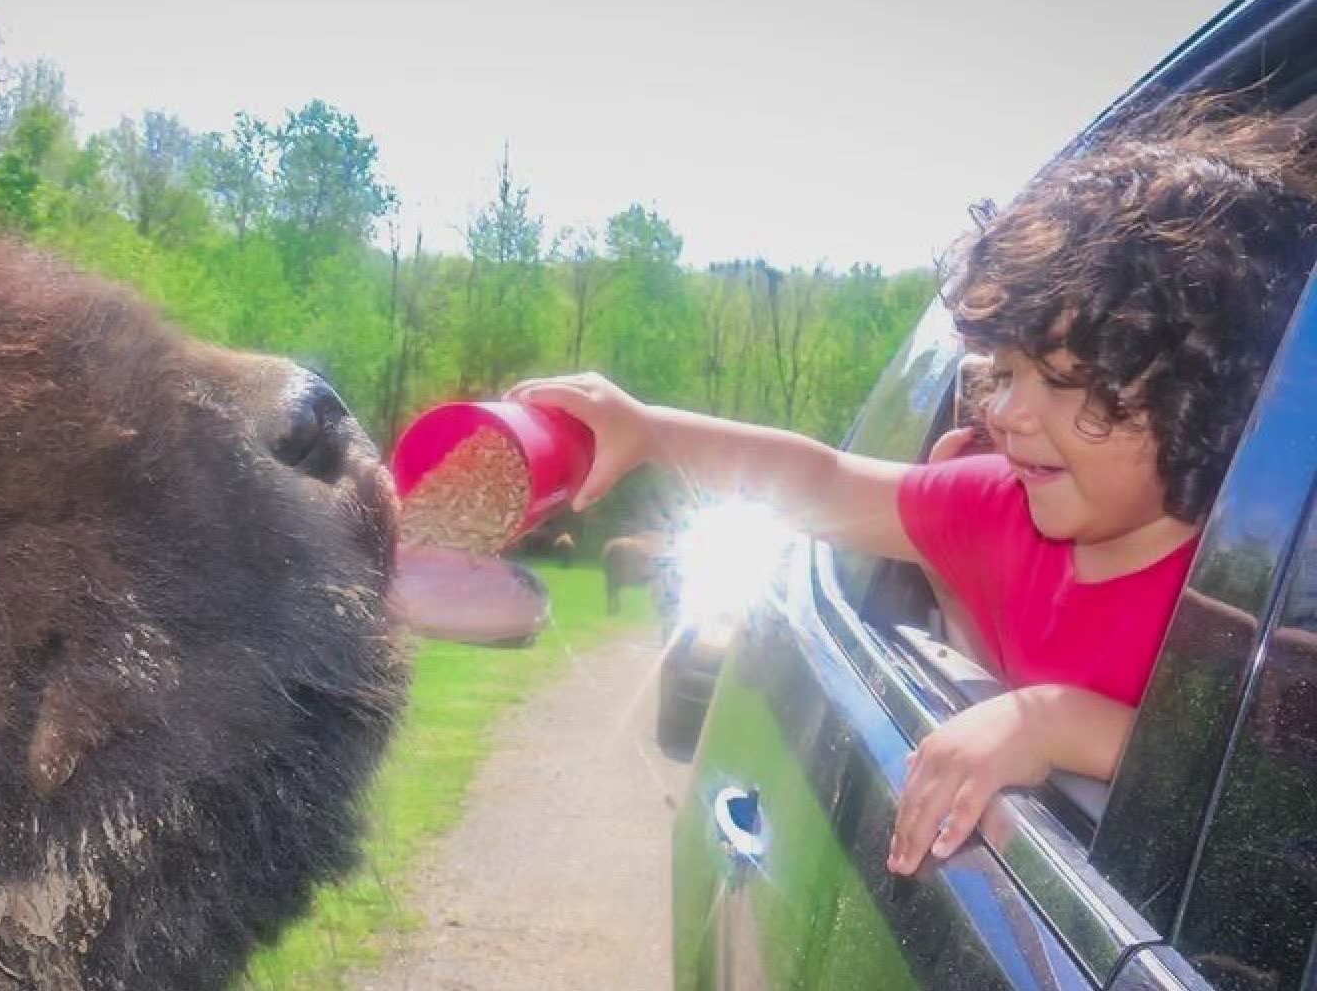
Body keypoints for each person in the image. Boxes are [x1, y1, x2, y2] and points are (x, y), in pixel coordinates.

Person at [505, 98, 1317, 877]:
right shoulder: (1002, 510)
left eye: (1065, 379)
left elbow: (1257, 806)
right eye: (1004, 372)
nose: (1006, 412)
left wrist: (1058, 721)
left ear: (1205, 398)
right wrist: (650, 432)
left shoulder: (1262, 606)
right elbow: (825, 479)